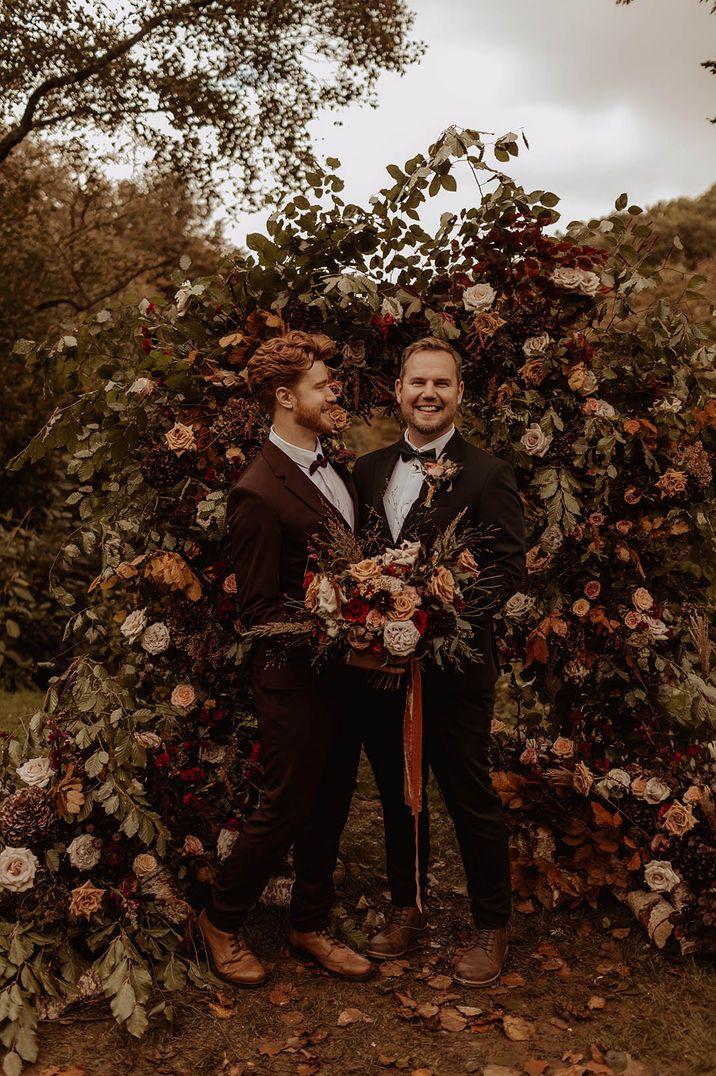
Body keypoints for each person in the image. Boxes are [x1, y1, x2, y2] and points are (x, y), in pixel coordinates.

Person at [199, 330, 378, 985]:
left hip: (348, 679)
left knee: (331, 804)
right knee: (286, 808)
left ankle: (310, 925)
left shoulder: (340, 468)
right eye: (322, 382)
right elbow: (256, 614)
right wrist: (343, 628)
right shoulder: (257, 492)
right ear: (284, 396)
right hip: (293, 682)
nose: (336, 390)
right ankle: (221, 922)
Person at [353, 336, 526, 986]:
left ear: (459, 395)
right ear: (398, 391)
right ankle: (408, 904)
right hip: (381, 668)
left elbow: (507, 568)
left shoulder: (488, 473)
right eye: (417, 382)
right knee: (401, 794)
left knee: (467, 794)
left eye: (442, 385)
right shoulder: (367, 470)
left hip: (456, 671)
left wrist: (437, 620)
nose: (429, 394)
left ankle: (492, 923)